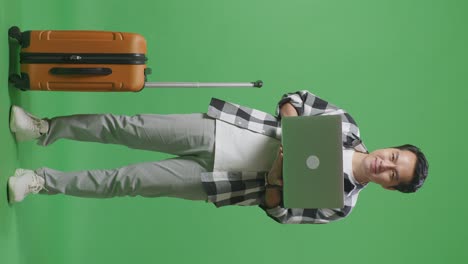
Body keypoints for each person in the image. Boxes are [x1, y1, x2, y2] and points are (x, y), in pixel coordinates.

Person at [6, 90, 429, 224]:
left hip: (223, 182)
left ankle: (42, 182)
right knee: (129, 126)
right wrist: (292, 127)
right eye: (394, 157)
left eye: (394, 174)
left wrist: (280, 171)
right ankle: (44, 128)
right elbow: (295, 98)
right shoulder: (348, 127)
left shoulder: (342, 205)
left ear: (390, 186)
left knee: (128, 180)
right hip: (222, 129)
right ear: (390, 148)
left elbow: (278, 211)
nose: (386, 165)